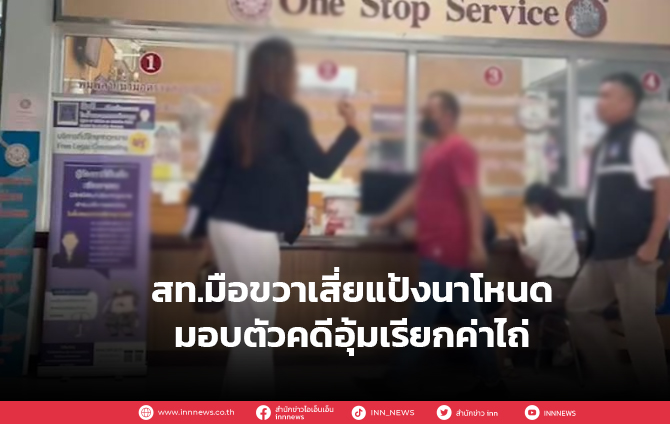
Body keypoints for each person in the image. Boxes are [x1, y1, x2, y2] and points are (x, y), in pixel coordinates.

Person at [189, 37, 360, 398]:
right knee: (257, 332)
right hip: (255, 231)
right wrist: (351, 127)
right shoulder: (288, 114)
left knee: (243, 329)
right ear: (283, 73)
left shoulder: (239, 112)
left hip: (223, 227)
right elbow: (323, 167)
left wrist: (205, 236)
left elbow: (214, 173)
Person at [364, 91, 503, 395]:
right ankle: (493, 380)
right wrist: (387, 219)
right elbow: (416, 193)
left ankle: (395, 384)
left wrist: (476, 243)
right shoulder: (434, 152)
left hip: (447, 247)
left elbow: (470, 197)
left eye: (431, 112)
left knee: (423, 316)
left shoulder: (459, 149)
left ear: (449, 115)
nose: (425, 117)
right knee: (467, 314)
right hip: (439, 244)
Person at [566, 72, 670, 393]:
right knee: (579, 308)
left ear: (627, 102)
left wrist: (652, 242)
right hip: (604, 249)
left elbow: (665, 187)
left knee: (638, 324)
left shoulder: (639, 140)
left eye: (606, 96)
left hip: (635, 249)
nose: (599, 103)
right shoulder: (605, 144)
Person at [508, 183, 579, 365]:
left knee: (511, 303)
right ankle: (560, 347)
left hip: (550, 291)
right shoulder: (566, 221)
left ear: (535, 205)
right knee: (547, 308)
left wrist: (518, 239)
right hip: (575, 289)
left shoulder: (537, 224)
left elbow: (529, 262)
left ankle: (510, 358)